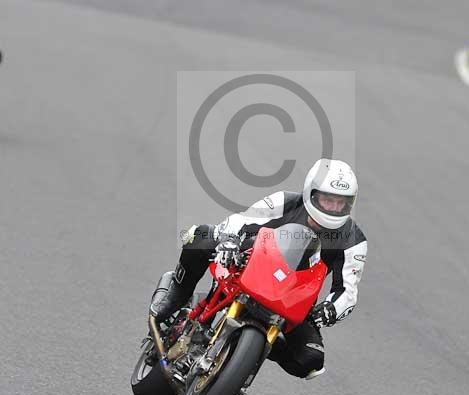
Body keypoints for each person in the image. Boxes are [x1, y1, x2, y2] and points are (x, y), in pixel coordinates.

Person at [150, 159, 367, 380]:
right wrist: (227, 241)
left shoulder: (353, 240)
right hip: (250, 268)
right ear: (311, 193)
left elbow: (347, 291)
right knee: (202, 236)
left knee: (310, 359)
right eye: (327, 200)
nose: (333, 208)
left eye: (341, 203)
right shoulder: (284, 202)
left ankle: (251, 352)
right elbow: (241, 220)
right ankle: (176, 295)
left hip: (294, 299)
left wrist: (329, 310)